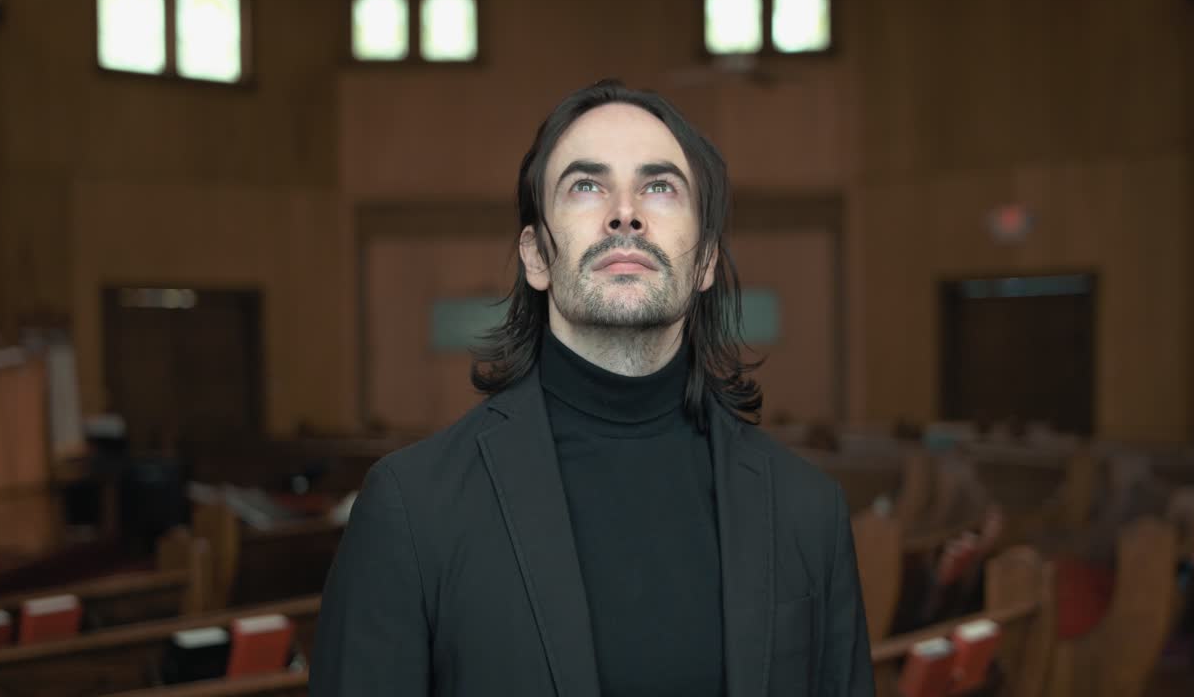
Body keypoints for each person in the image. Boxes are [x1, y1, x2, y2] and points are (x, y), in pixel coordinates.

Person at [311, 79, 873, 696]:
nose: (625, 211)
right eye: (586, 185)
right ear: (536, 257)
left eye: (659, 186)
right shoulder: (411, 509)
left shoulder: (807, 512)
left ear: (707, 258)